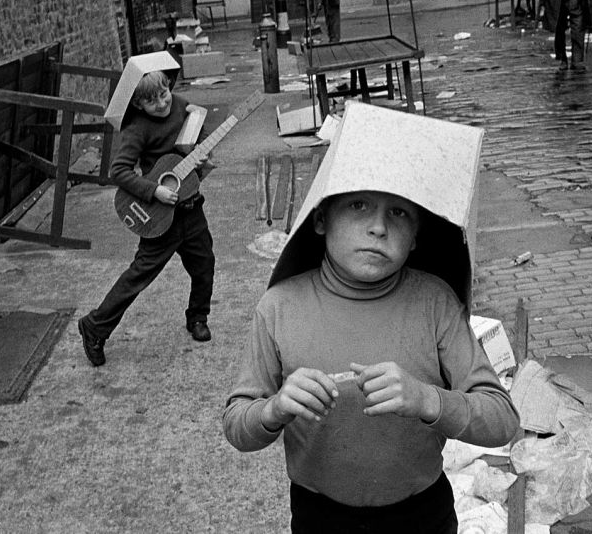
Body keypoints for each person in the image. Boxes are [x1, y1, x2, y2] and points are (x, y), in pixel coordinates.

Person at [223, 103, 520, 533]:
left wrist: (427, 400)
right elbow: (237, 425)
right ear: (321, 218)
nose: (378, 227)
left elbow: (502, 420)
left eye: (398, 213)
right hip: (319, 516)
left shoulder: (435, 303)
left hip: (421, 515)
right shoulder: (279, 307)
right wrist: (274, 408)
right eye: (359, 205)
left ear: (417, 236)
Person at [78, 61, 215, 367]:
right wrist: (154, 192)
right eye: (152, 101)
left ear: (169, 85)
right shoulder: (136, 128)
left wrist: (204, 156)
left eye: (164, 93)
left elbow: (201, 144)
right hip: (159, 216)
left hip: (190, 207)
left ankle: (198, 317)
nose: (162, 102)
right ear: (137, 103)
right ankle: (95, 326)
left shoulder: (185, 108)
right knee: (139, 275)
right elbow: (120, 172)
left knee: (204, 263)